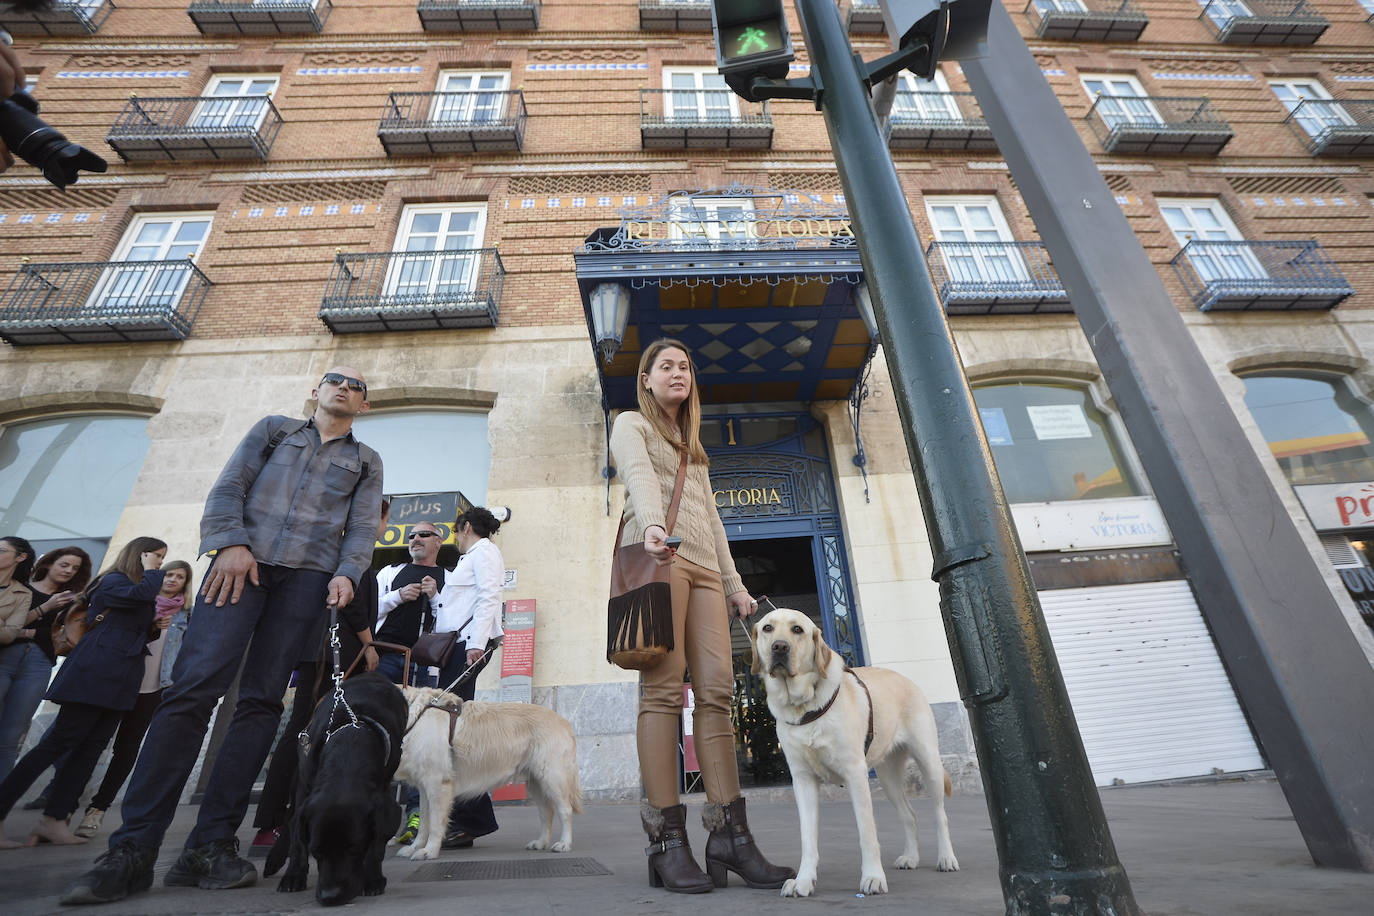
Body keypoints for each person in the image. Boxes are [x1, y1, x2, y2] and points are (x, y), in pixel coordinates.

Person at [60, 368, 383, 906]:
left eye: (356, 387)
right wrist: (229, 543)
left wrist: (348, 573)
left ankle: (209, 846)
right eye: (335, 380)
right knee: (192, 693)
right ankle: (132, 849)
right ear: (316, 392)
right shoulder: (274, 430)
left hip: (307, 580)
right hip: (237, 568)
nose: (344, 388)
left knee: (262, 703)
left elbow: (364, 527)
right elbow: (230, 486)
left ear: (364, 406)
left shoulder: (367, 460)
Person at [608, 338, 793, 894]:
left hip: (706, 567)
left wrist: (735, 584)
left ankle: (731, 836)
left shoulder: (694, 447)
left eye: (685, 367)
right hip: (659, 557)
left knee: (716, 690)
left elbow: (712, 518)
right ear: (646, 379)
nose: (677, 373)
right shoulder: (630, 424)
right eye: (665, 366)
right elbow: (639, 476)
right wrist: (651, 526)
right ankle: (666, 840)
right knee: (663, 691)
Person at [0, 537, 166, 850]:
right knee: (57, 743)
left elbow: (129, 625)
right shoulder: (114, 580)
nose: (159, 562)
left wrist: (154, 625)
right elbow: (138, 598)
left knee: (92, 748)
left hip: (122, 676)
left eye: (161, 557)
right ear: (140, 555)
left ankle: (54, 820)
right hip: (95, 672)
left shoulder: (138, 586)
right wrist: (151, 573)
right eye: (156, 556)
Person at [249, 498, 388, 849]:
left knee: (313, 733)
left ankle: (292, 819)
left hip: (325, 653)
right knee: (305, 732)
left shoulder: (339, 550)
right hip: (332, 655)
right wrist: (370, 645)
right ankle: (274, 822)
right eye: (384, 519)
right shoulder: (353, 554)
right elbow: (352, 605)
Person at [72, 560, 194, 839]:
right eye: (168, 574)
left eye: (179, 577)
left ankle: (98, 808)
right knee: (91, 743)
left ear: (185, 584)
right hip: (119, 682)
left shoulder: (187, 615)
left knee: (126, 750)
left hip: (153, 690)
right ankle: (65, 804)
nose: (172, 579)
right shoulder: (139, 603)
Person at [431, 506, 507, 850]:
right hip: (458, 648)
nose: (455, 539)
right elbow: (456, 606)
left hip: (467, 648)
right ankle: (466, 819)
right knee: (453, 731)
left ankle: (470, 820)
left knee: (455, 732)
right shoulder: (472, 557)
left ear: (465, 527)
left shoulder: (485, 553)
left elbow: (490, 596)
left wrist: (477, 643)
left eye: (455, 532)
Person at [372, 518, 446, 844]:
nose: (415, 539)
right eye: (411, 535)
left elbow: (452, 623)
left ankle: (418, 814)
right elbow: (367, 610)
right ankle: (377, 812)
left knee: (422, 741)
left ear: (438, 541)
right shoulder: (389, 573)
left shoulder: (449, 578)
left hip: (425, 665)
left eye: (423, 534)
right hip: (386, 659)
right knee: (379, 733)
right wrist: (397, 596)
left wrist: (436, 597)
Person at [3, 547, 91, 803]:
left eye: (75, 568)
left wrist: (26, 632)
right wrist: (47, 608)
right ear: (50, 563)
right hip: (5, 658)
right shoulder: (20, 589)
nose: (69, 571)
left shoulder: (74, 601)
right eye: (64, 564)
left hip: (39, 664)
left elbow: (66, 638)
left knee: (11, 736)